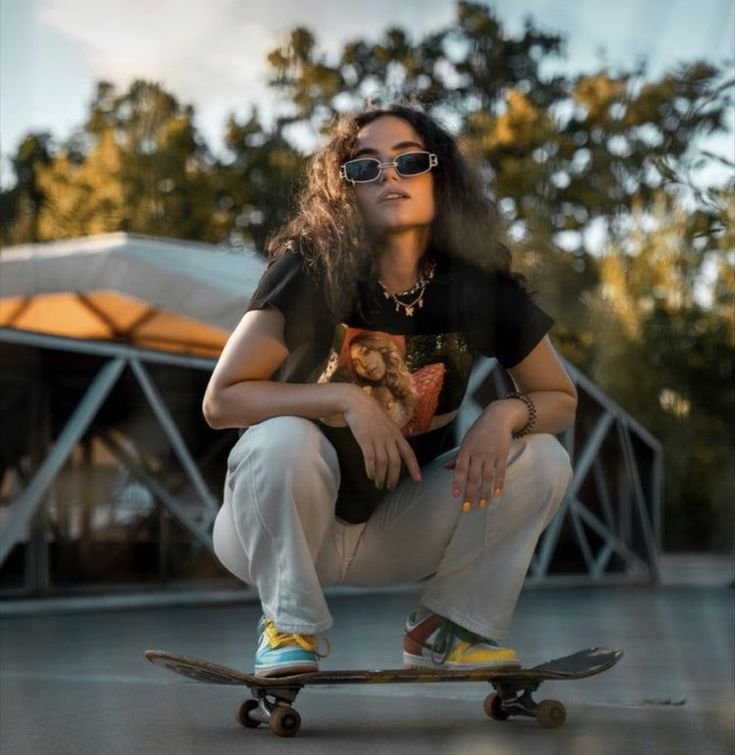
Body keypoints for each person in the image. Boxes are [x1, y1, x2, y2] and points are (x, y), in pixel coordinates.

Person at [203, 102, 577, 678]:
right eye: (365, 167)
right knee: (280, 440)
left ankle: (447, 628)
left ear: (439, 176)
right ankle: (288, 623)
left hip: (399, 529)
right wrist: (344, 397)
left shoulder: (478, 286)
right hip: (282, 526)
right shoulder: (312, 268)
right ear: (346, 189)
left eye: (408, 161)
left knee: (541, 455)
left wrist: (502, 414)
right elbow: (221, 399)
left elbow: (560, 399)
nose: (388, 176)